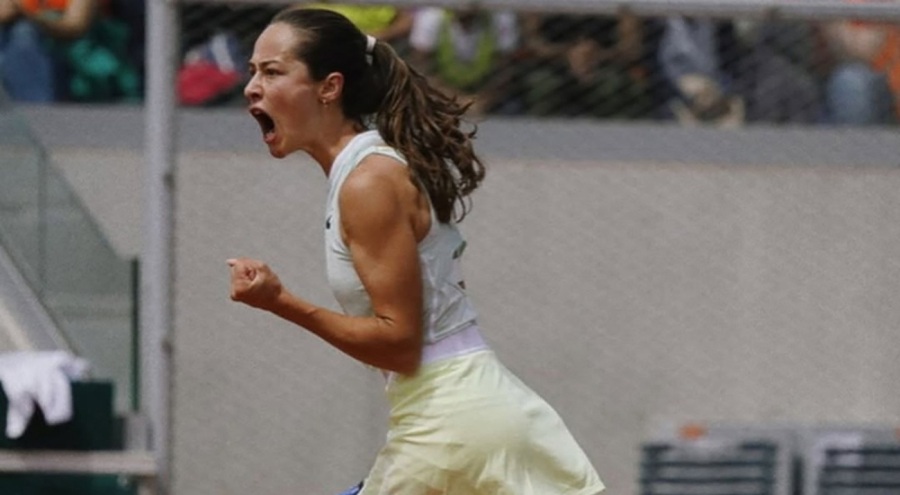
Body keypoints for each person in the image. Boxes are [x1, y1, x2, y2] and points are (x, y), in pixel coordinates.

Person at [228, 7, 605, 495]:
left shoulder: (368, 182)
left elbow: (399, 344)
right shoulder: (366, 170)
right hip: (465, 415)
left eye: (273, 72)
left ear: (329, 87)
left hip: (451, 422)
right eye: (253, 71)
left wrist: (280, 302)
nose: (251, 86)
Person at [408, 5, 521, 115]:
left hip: (485, 92)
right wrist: (458, 100)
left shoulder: (500, 18)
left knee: (512, 108)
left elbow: (505, 72)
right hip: (442, 92)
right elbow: (421, 71)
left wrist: (483, 101)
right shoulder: (432, 17)